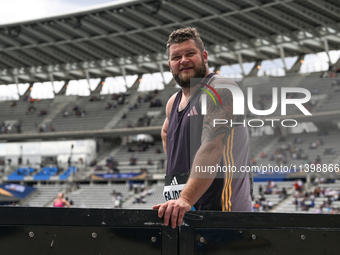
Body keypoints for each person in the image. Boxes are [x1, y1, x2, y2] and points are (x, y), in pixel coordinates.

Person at [152, 27, 252, 228]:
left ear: (204, 56)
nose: (183, 60)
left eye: (190, 54)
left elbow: (212, 147)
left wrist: (186, 199)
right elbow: (165, 133)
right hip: (184, 211)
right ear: (169, 64)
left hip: (224, 214)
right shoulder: (173, 102)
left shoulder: (220, 88)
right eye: (176, 57)